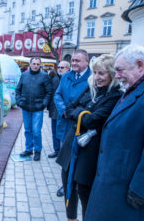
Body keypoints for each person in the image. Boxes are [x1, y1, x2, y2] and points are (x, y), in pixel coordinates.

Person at [85, 45, 144, 221]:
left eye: (119, 70)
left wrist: (141, 191)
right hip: (115, 184)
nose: (117, 76)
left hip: (132, 195)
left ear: (139, 65)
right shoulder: (137, 88)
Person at [56, 54, 123, 221]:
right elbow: (70, 108)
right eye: (95, 73)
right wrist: (82, 114)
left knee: (84, 189)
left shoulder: (115, 95)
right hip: (72, 143)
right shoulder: (91, 87)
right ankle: (71, 218)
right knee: (67, 182)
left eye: (101, 73)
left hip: (90, 149)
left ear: (112, 74)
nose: (97, 77)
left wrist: (80, 113)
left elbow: (91, 120)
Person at [54, 50, 91, 197]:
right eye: (73, 60)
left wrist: (75, 114)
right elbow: (57, 95)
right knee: (65, 156)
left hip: (80, 124)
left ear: (87, 62)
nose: (74, 63)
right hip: (65, 122)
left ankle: (75, 184)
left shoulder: (92, 78)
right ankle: (65, 184)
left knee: (79, 157)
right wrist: (63, 110)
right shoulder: (66, 76)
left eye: (78, 61)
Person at [16, 57, 51, 161]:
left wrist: (43, 104)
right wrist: (19, 101)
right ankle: (28, 149)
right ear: (30, 64)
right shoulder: (24, 75)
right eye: (34, 63)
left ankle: (38, 151)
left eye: (37, 64)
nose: (36, 66)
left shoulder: (44, 76)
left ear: (40, 65)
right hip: (26, 108)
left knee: (36, 131)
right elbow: (18, 89)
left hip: (38, 108)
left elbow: (49, 92)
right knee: (27, 130)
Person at [47, 61, 70, 159]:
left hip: (65, 112)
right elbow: (50, 93)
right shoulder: (54, 79)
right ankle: (57, 150)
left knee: (64, 132)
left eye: (62, 67)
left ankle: (63, 152)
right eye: (59, 67)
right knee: (54, 132)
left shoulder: (69, 79)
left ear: (68, 69)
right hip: (54, 110)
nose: (60, 69)